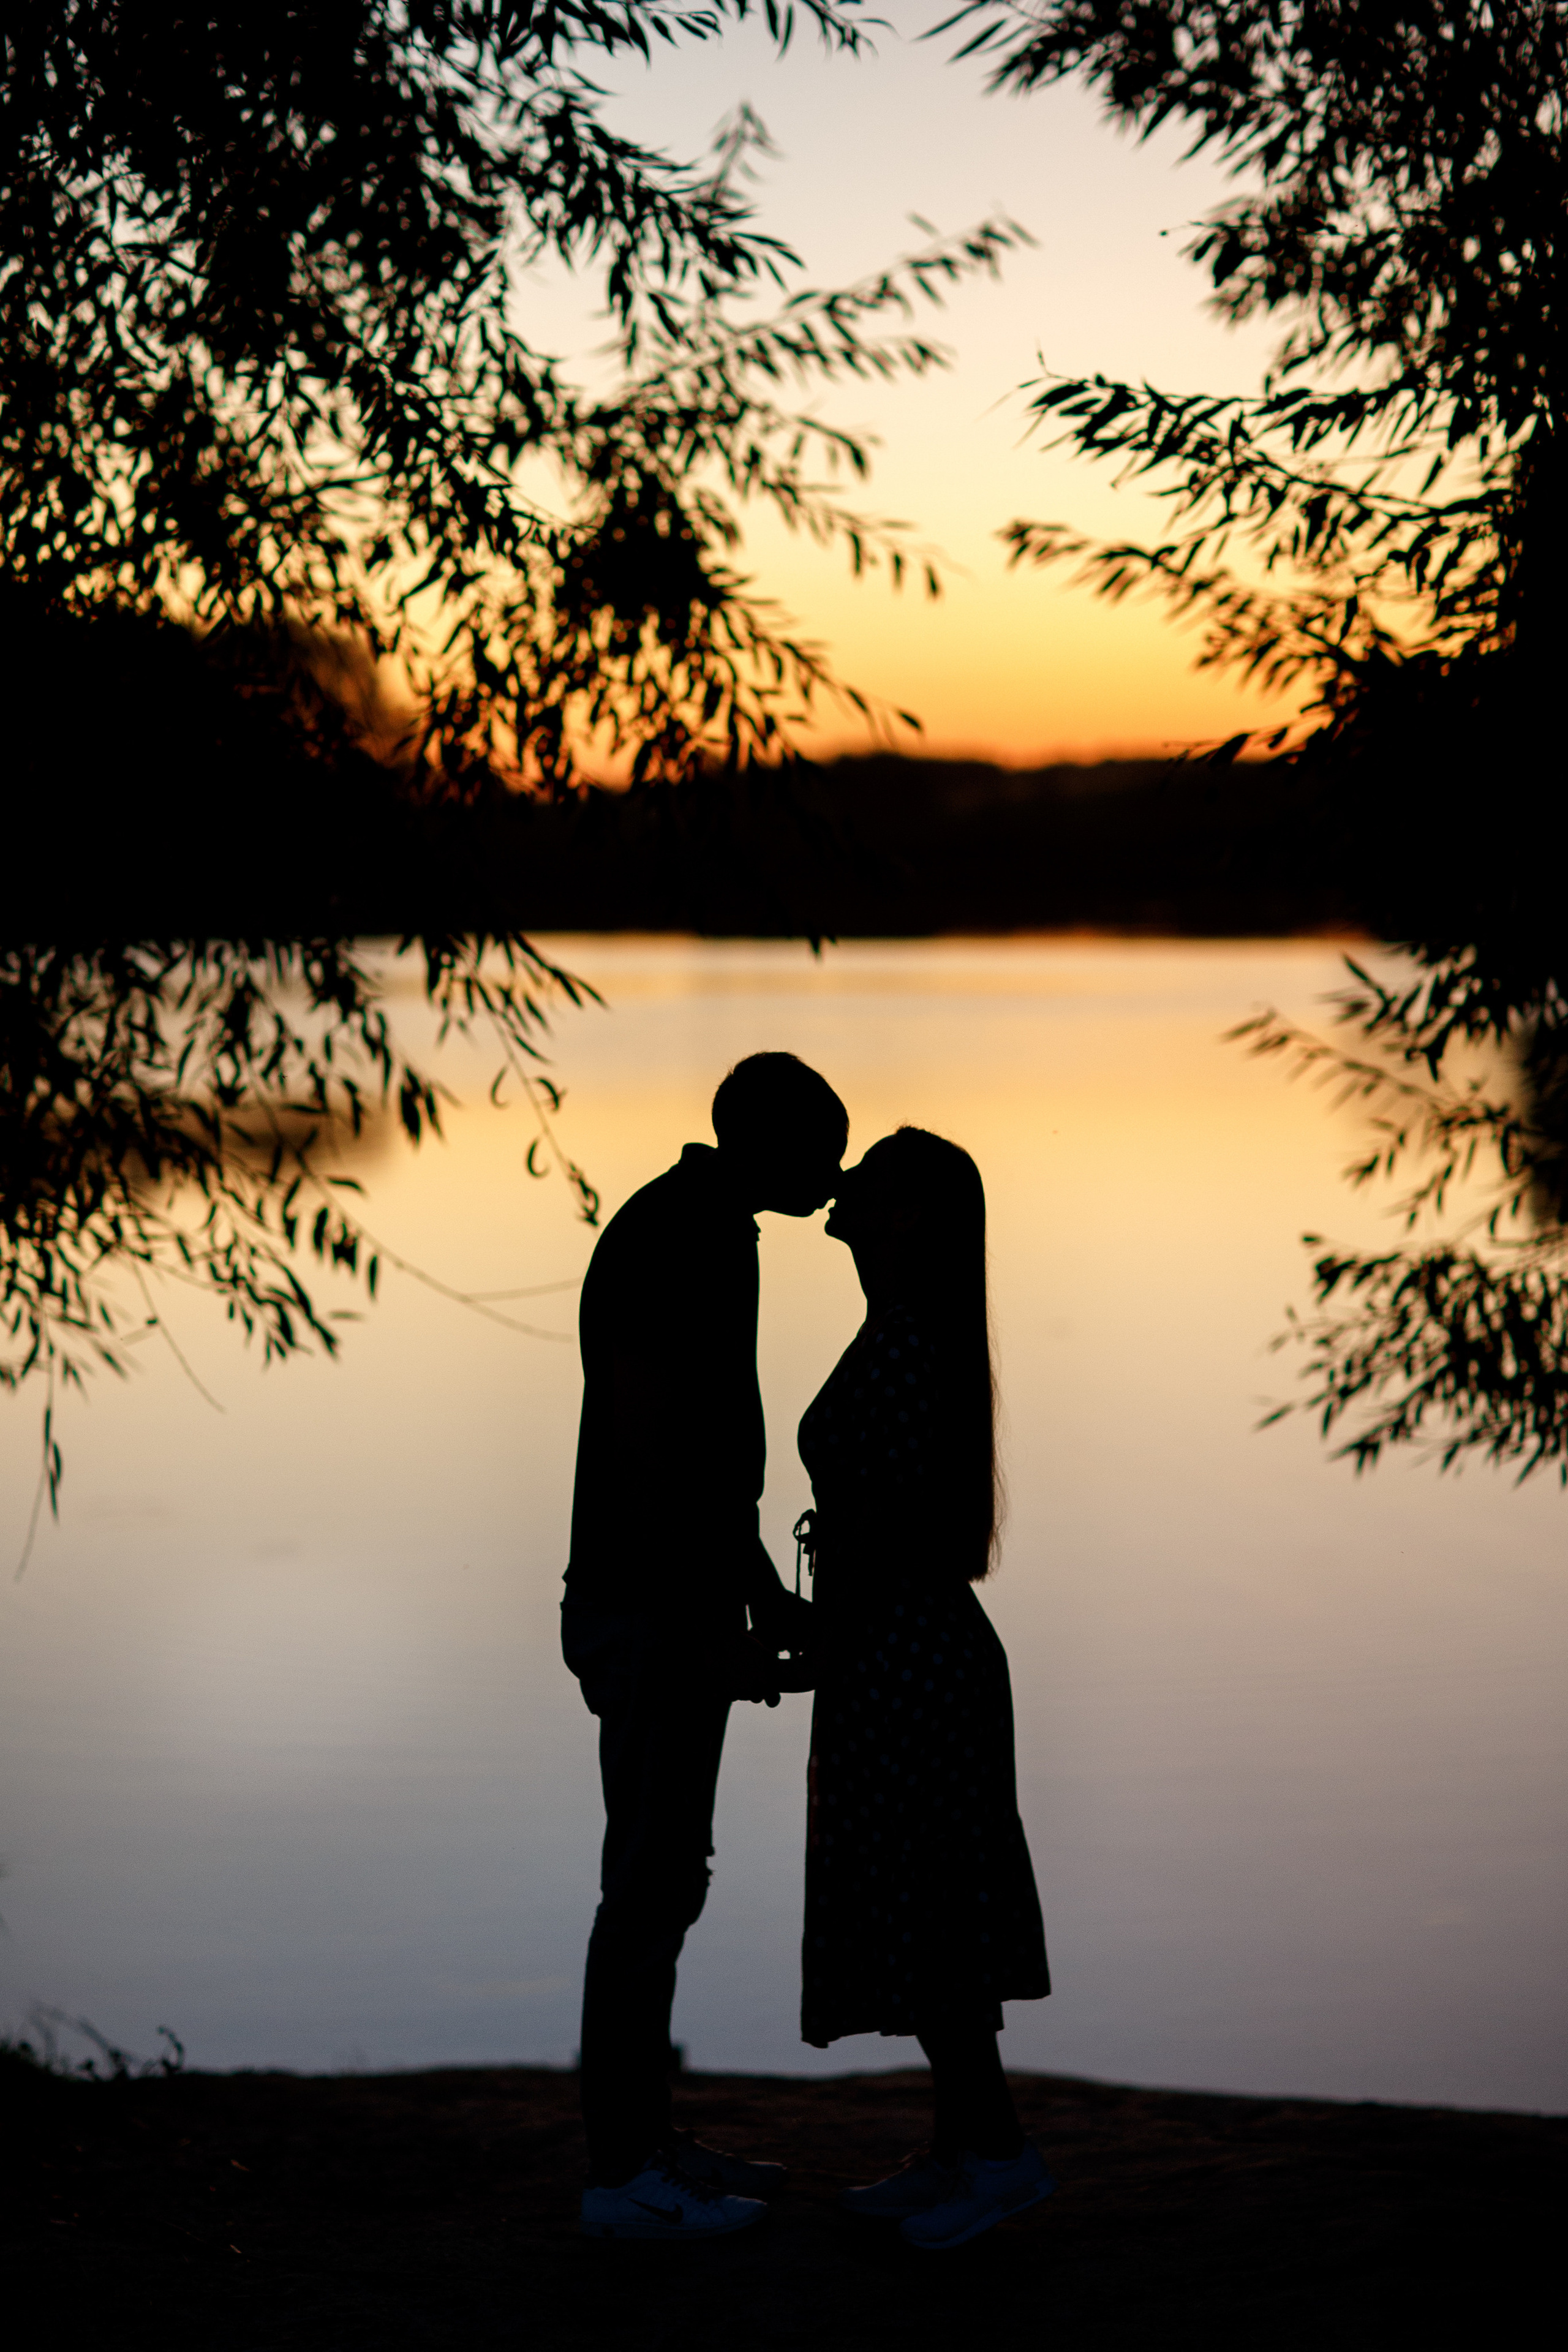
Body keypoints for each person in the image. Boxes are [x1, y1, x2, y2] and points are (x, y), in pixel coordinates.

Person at [562, 1051, 845, 2241]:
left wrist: (766, 1601)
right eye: (819, 1154)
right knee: (644, 1890)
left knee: (671, 1878)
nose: (832, 1180)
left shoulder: (718, 1233)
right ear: (761, 1143)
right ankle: (620, 2175)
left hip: (681, 1601)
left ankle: (649, 2140)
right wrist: (701, 1638)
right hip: (644, 1610)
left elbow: (715, 1466)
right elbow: (645, 1451)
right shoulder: (671, 1236)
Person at [796, 1125, 1054, 2251]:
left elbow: (891, 1532)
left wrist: (820, 1636)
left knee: (937, 1909)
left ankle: (999, 2157)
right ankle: (958, 2152)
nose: (847, 1186)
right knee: (923, 1901)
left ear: (906, 1218)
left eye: (876, 1179)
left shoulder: (906, 1344)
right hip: (897, 1652)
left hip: (908, 1661)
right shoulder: (901, 1330)